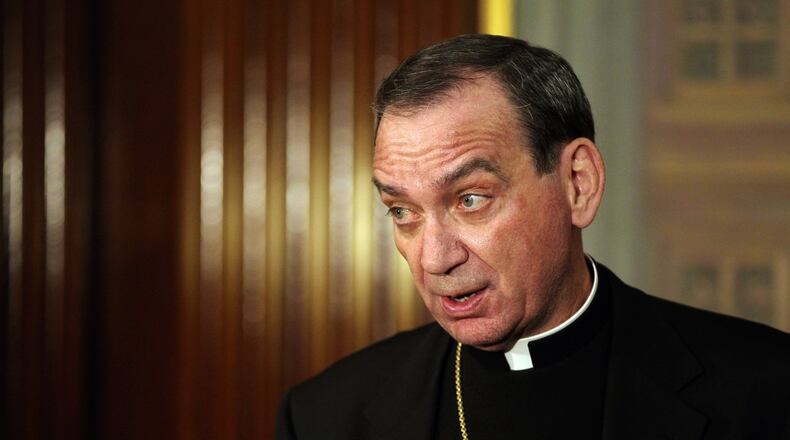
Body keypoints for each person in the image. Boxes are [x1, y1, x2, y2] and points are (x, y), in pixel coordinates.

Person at [276, 34, 790, 439]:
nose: (435, 259)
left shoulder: (766, 392)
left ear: (577, 184)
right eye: (402, 211)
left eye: (470, 199)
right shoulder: (328, 417)